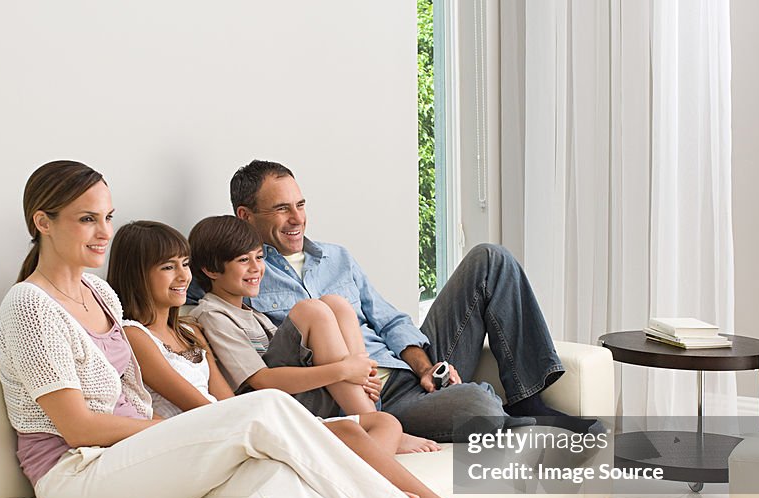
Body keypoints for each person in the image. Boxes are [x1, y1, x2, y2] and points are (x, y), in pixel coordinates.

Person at [0, 160, 519, 498]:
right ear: (43, 222)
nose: (103, 231)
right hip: (79, 470)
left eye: (107, 216)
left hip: (133, 458)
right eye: (88, 218)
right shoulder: (30, 306)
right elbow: (78, 428)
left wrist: (180, 434)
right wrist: (178, 430)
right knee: (261, 408)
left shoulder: (98, 293)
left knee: (281, 485)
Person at [106, 218, 554, 498]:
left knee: (378, 404)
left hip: (298, 403)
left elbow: (224, 402)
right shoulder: (179, 324)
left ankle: (409, 492)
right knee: (319, 311)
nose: (182, 276)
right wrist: (344, 370)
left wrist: (417, 365)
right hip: (260, 417)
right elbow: (238, 397)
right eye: (169, 267)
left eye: (183, 264)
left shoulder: (197, 326)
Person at [222, 159, 587, 443]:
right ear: (245, 216)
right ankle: (485, 412)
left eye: (300, 204)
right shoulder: (235, 275)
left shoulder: (337, 258)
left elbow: (390, 321)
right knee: (481, 406)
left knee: (490, 259)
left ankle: (527, 399)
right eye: (281, 209)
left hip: (403, 369)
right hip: (360, 396)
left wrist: (424, 366)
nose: (297, 218)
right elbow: (188, 289)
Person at [185, 214, 438, 454]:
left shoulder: (253, 314)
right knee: (312, 310)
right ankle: (373, 422)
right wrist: (345, 370)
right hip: (274, 405)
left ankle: (367, 406)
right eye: (243, 260)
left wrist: (361, 375)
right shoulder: (213, 315)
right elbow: (262, 381)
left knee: (336, 303)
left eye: (259, 258)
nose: (256, 268)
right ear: (211, 270)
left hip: (304, 394)